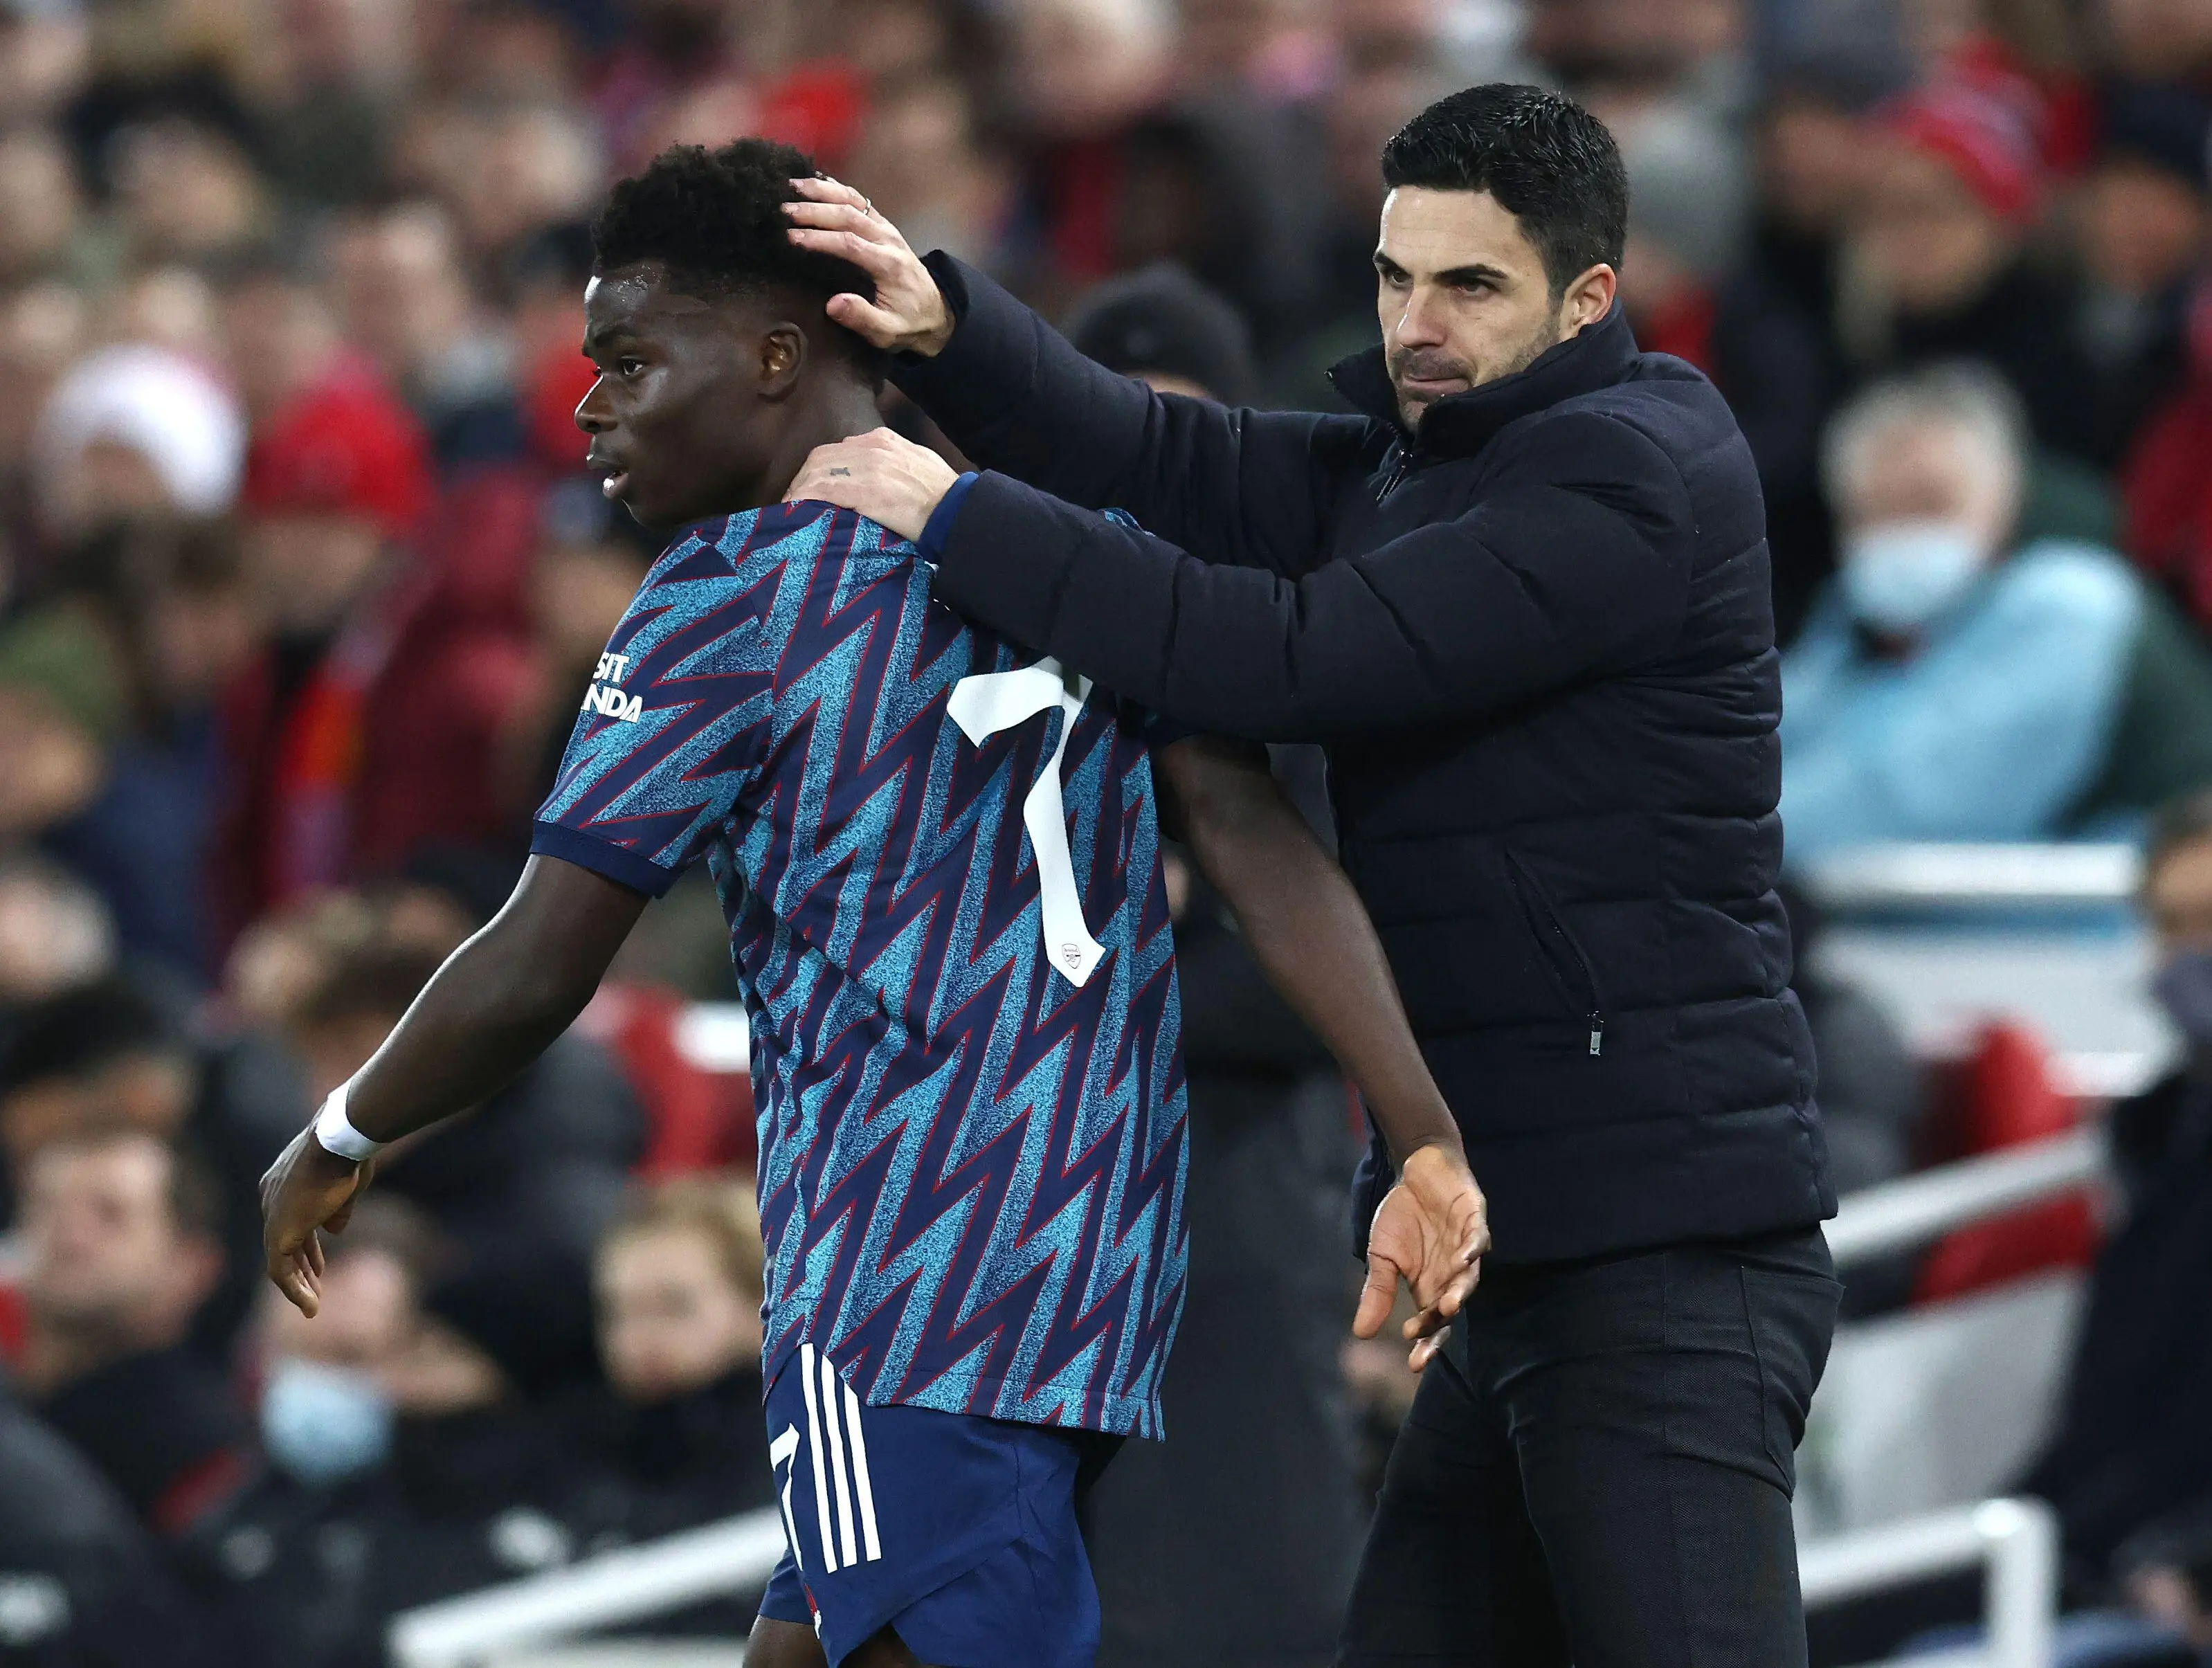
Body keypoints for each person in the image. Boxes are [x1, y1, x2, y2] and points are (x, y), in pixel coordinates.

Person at [260, 137, 1487, 1668]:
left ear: (780, 356)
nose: (591, 406)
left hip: (900, 1274)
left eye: (630, 358)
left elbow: (538, 957)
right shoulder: (1059, 545)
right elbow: (1255, 841)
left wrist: (339, 1133)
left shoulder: (730, 594)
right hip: (1090, 1259)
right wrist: (1420, 1123)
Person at [785, 82, 1840, 1668]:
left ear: (1586, 299)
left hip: (1663, 1271)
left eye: (1468, 287)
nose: (1415, 322)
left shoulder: (1624, 472)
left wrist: (961, 518)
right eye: (1393, 275)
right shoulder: (1427, 455)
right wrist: (950, 332)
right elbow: (1166, 453)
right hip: (1529, 1263)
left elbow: (1283, 657)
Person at [1058, 266, 1368, 1668]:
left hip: (1233, 1198)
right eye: (1112, 425)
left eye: (1173, 427)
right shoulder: (1010, 635)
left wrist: (1100, 975)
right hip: (1036, 1206)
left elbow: (1342, 968)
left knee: (1251, 1587)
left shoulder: (1303, 647)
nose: (1144, 466)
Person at [1781, 366, 2212, 860]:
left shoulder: (2072, 606)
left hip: (2124, 920)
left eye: (1931, 501)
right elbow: (1765, 729)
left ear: (2002, 497)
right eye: (1876, 509)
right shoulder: (1859, 618)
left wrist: (1704, 835)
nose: (1903, 531)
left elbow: (1916, 802)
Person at [14, 1125, 248, 1536]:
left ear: (192, 1265)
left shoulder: (207, 1461)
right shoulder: (18, 1405)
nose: (70, 1237)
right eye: (47, 1205)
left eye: (110, 1215)